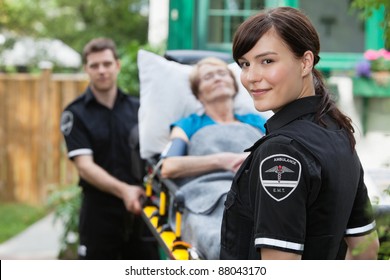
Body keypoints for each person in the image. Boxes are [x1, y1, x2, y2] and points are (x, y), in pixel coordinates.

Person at [220, 7, 380, 260]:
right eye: (244, 64)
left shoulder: (281, 152)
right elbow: (366, 250)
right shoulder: (338, 132)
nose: (251, 77)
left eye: (267, 61)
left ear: (305, 62)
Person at [60, 37, 159, 260]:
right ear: (86, 69)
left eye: (106, 64)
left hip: (141, 212)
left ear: (117, 65)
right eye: (94, 65)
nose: (101, 70)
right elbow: (85, 167)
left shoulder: (139, 108)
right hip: (99, 215)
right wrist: (124, 190)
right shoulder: (75, 114)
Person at [160, 57, 267, 179]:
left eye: (222, 74)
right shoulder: (188, 125)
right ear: (198, 93)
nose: (217, 78)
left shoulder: (257, 121)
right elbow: (169, 166)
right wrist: (222, 161)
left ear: (234, 85)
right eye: (208, 77)